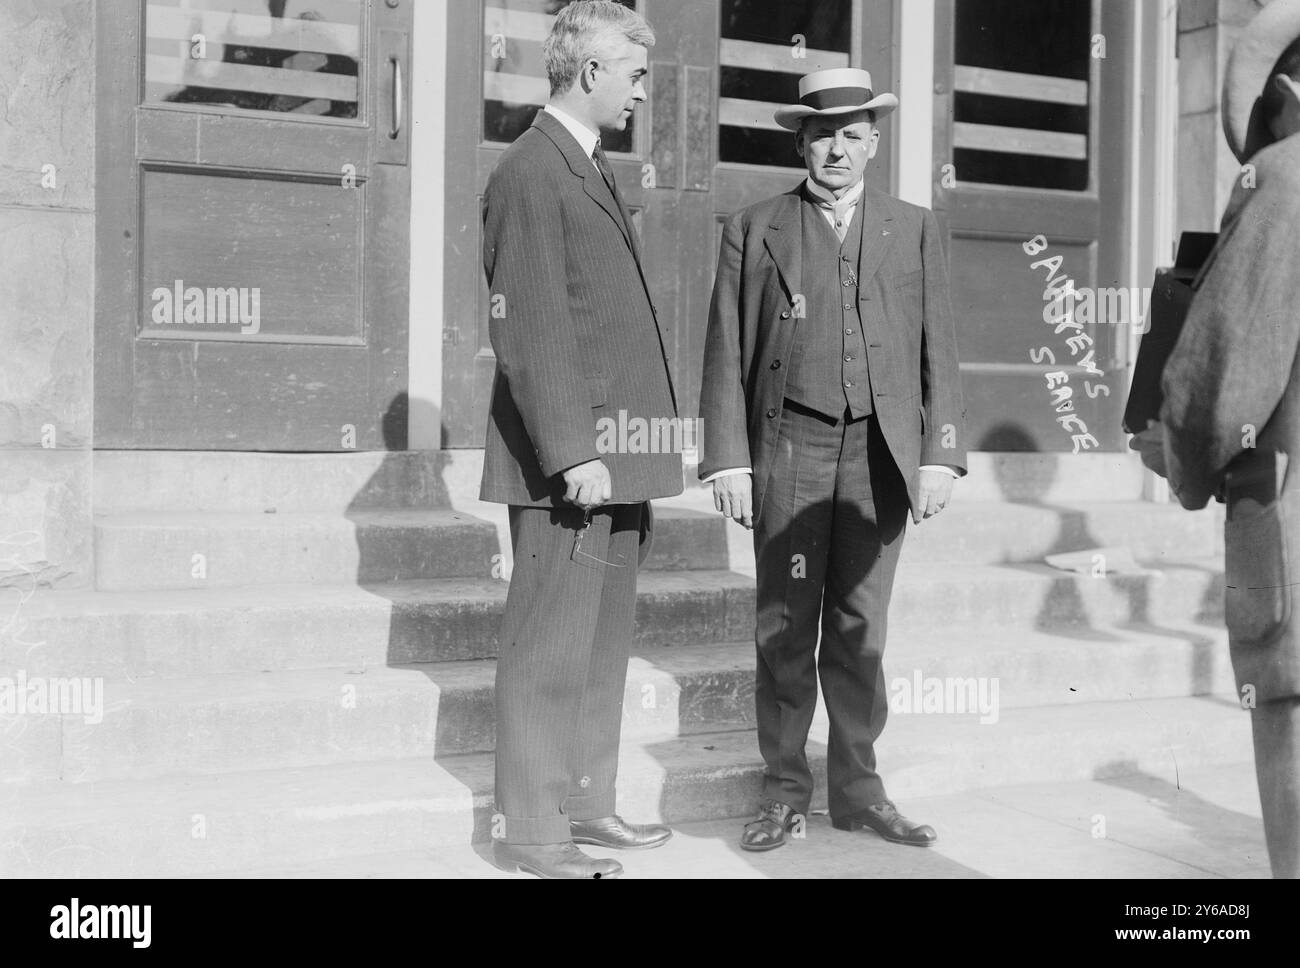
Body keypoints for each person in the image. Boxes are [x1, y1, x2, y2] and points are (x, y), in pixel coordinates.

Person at [698, 67, 967, 852]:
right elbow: (725, 349)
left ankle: (857, 790)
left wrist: (940, 455)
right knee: (786, 623)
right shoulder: (755, 227)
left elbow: (939, 349)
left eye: (853, 134)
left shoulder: (912, 226)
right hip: (791, 445)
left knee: (860, 626)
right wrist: (726, 460)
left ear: (874, 143)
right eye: (823, 134)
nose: (838, 149)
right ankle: (784, 791)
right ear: (801, 142)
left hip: (881, 453)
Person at [479, 1, 682, 879]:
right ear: (591, 72)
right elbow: (531, 328)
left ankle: (586, 805)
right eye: (634, 76)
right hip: (571, 465)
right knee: (549, 647)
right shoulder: (533, 169)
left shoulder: (585, 166)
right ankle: (530, 829)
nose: (642, 93)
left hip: (614, 458)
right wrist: (572, 452)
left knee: (598, 649)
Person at [1131, 0, 1300, 879]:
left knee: (1289, 707)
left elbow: (1229, 362)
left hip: (1292, 522)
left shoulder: (1285, 177)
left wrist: (1176, 447)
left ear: (1286, 93)